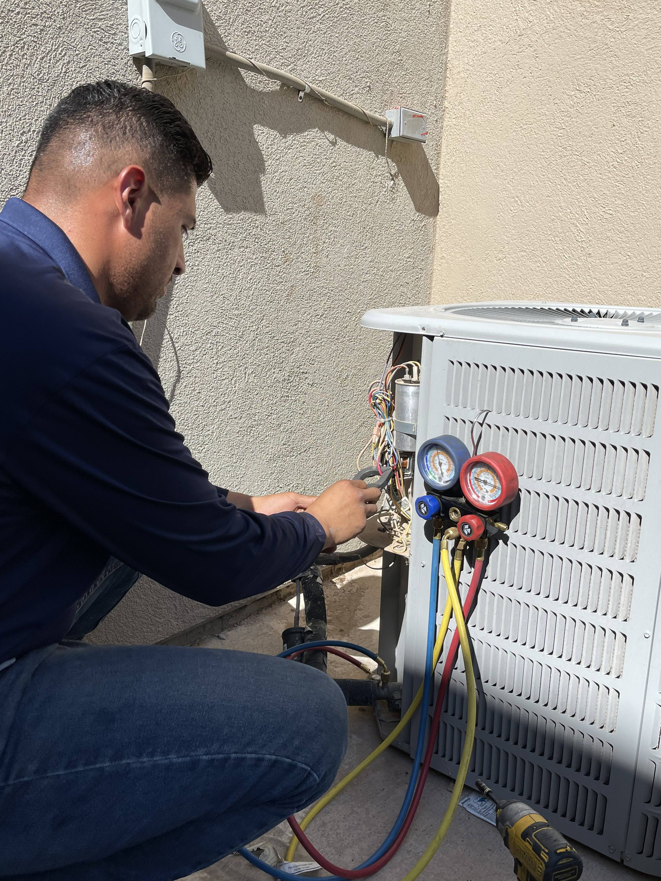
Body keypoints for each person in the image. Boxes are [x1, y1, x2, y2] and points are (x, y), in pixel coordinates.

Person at [0, 80, 380, 880]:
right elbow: (210, 563)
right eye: (181, 230)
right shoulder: (73, 336)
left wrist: (238, 505)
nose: (180, 261)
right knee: (308, 720)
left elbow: (106, 478)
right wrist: (319, 525)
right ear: (133, 195)